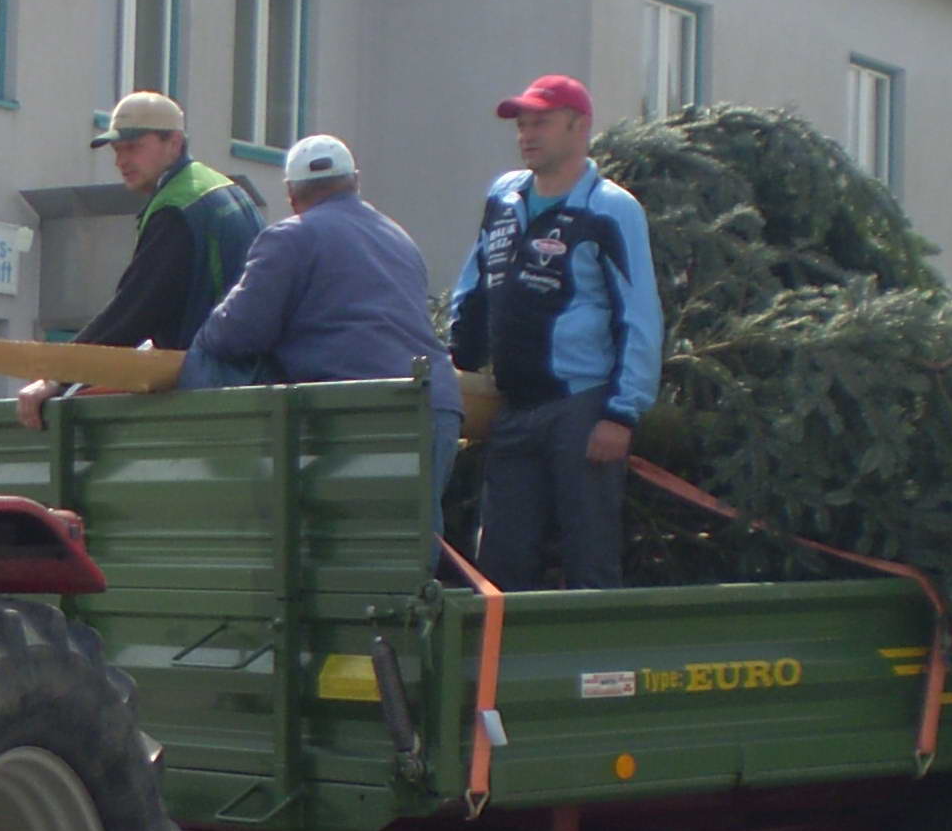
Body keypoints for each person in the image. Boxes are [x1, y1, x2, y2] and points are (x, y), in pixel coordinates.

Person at [450, 73, 662, 589]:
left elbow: (641, 315)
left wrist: (620, 413)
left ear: (579, 125)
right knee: (500, 560)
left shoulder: (611, 208)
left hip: (582, 407)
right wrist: (459, 356)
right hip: (513, 406)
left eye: (540, 122)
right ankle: (506, 669)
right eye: (522, 124)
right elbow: (474, 281)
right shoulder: (504, 196)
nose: (527, 134)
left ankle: (596, 668)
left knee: (589, 555)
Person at [178, 134, 464, 495]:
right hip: (435, 406)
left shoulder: (290, 237)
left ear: (291, 194)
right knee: (410, 544)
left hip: (364, 411)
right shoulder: (398, 238)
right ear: (355, 182)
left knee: (209, 359)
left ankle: (221, 487)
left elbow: (239, 332)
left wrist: (200, 340)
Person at [12, 90, 264, 426]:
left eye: (133, 147)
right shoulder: (224, 190)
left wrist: (59, 375)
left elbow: (135, 311)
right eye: (117, 150)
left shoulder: (177, 207)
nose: (121, 161)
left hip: (210, 387)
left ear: (174, 143)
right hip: (250, 375)